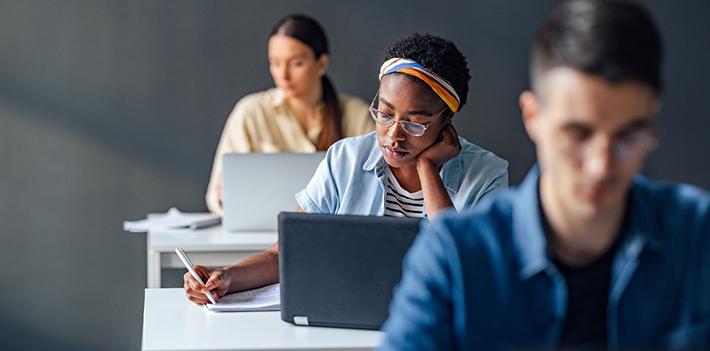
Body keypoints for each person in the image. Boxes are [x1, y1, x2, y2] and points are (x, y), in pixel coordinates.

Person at [379, 1, 710, 350]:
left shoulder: (697, 234)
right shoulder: (455, 255)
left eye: (628, 135)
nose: (601, 166)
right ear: (533, 116)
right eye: (578, 134)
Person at [183, 33, 509, 304]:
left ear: (446, 123)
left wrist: (428, 169)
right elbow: (288, 253)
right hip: (349, 316)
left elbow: (469, 270)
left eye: (416, 123)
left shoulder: (487, 175)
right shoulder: (345, 159)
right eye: (384, 113)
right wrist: (226, 277)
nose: (393, 135)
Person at [206, 14, 374, 214]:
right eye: (275, 63)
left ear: (322, 63)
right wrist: (225, 198)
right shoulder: (250, 113)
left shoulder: (357, 115)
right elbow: (214, 198)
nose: (283, 75)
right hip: (261, 231)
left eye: (296, 63)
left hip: (336, 232)